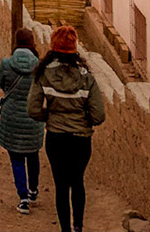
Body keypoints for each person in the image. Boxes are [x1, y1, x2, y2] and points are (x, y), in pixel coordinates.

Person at [28, 25, 106, 232]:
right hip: (81, 140)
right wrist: (84, 120)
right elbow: (99, 115)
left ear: (53, 47)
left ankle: (65, 229)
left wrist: (51, 117)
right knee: (77, 182)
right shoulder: (86, 77)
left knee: (61, 186)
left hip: (56, 138)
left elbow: (33, 109)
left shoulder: (44, 74)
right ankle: (78, 226)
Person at [0, 29, 44, 213]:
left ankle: (23, 198)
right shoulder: (39, 66)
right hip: (33, 119)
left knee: (16, 160)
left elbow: (3, 84)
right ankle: (33, 190)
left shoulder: (7, 64)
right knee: (33, 156)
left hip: (12, 119)